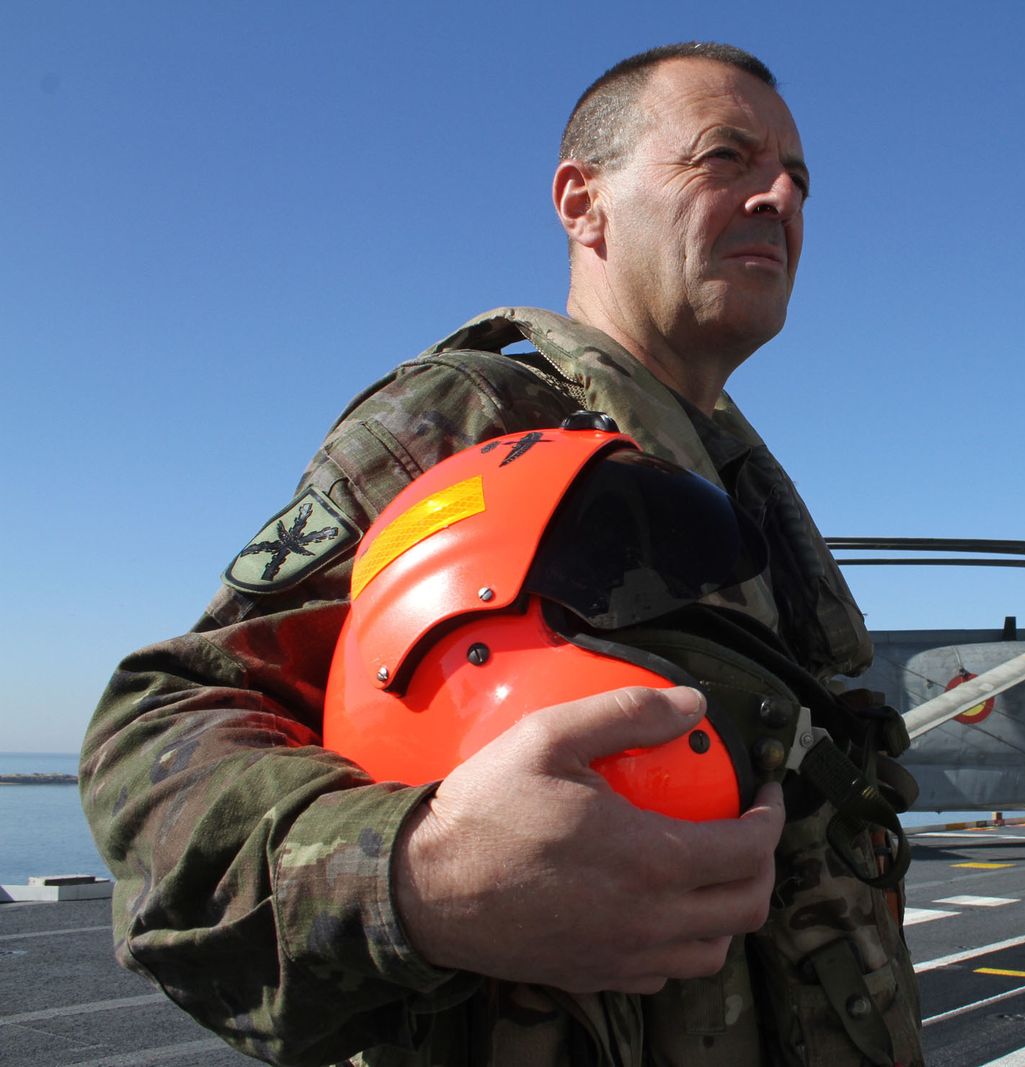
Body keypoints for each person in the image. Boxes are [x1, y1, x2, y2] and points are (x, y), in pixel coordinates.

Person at [81, 42, 923, 1067]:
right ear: (583, 203)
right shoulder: (473, 429)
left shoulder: (737, 503)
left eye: (796, 178)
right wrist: (422, 878)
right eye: (724, 158)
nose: (779, 194)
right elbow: (155, 731)